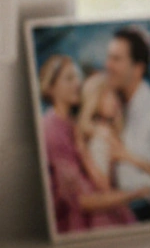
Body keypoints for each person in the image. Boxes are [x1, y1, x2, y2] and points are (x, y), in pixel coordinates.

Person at [38, 55, 142, 233]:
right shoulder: (51, 129)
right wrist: (135, 194)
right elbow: (78, 200)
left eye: (78, 77)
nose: (77, 83)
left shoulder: (74, 124)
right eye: (69, 78)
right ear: (50, 87)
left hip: (103, 212)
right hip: (79, 225)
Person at [104, 26, 150, 220]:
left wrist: (128, 157)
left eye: (116, 59)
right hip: (121, 210)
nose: (108, 65)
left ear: (138, 69)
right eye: (109, 58)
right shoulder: (114, 106)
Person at [75, 72, 127, 192]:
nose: (114, 100)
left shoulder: (112, 129)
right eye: (107, 95)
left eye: (115, 94)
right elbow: (104, 187)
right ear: (95, 99)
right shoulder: (100, 137)